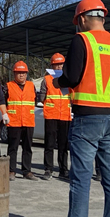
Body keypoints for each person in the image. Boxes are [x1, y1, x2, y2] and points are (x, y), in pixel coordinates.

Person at [46, 0, 110, 217]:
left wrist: (57, 81)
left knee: (80, 180)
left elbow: (71, 77)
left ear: (82, 18)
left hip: (86, 118)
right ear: (102, 16)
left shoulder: (81, 40)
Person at [40, 53, 71, 181]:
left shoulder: (69, 79)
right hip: (51, 116)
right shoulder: (47, 80)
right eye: (56, 64)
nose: (59, 67)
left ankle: (63, 170)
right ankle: (48, 169)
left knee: (64, 146)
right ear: (52, 66)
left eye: (61, 64)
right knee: (49, 144)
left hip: (65, 116)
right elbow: (42, 97)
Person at [5, 61, 37, 180]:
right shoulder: (8, 86)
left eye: (23, 73)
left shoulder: (31, 86)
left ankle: (27, 171)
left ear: (26, 74)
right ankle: (11, 170)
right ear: (14, 74)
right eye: (19, 72)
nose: (21, 75)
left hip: (28, 121)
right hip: (14, 122)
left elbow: (34, 101)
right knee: (12, 147)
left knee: (27, 147)